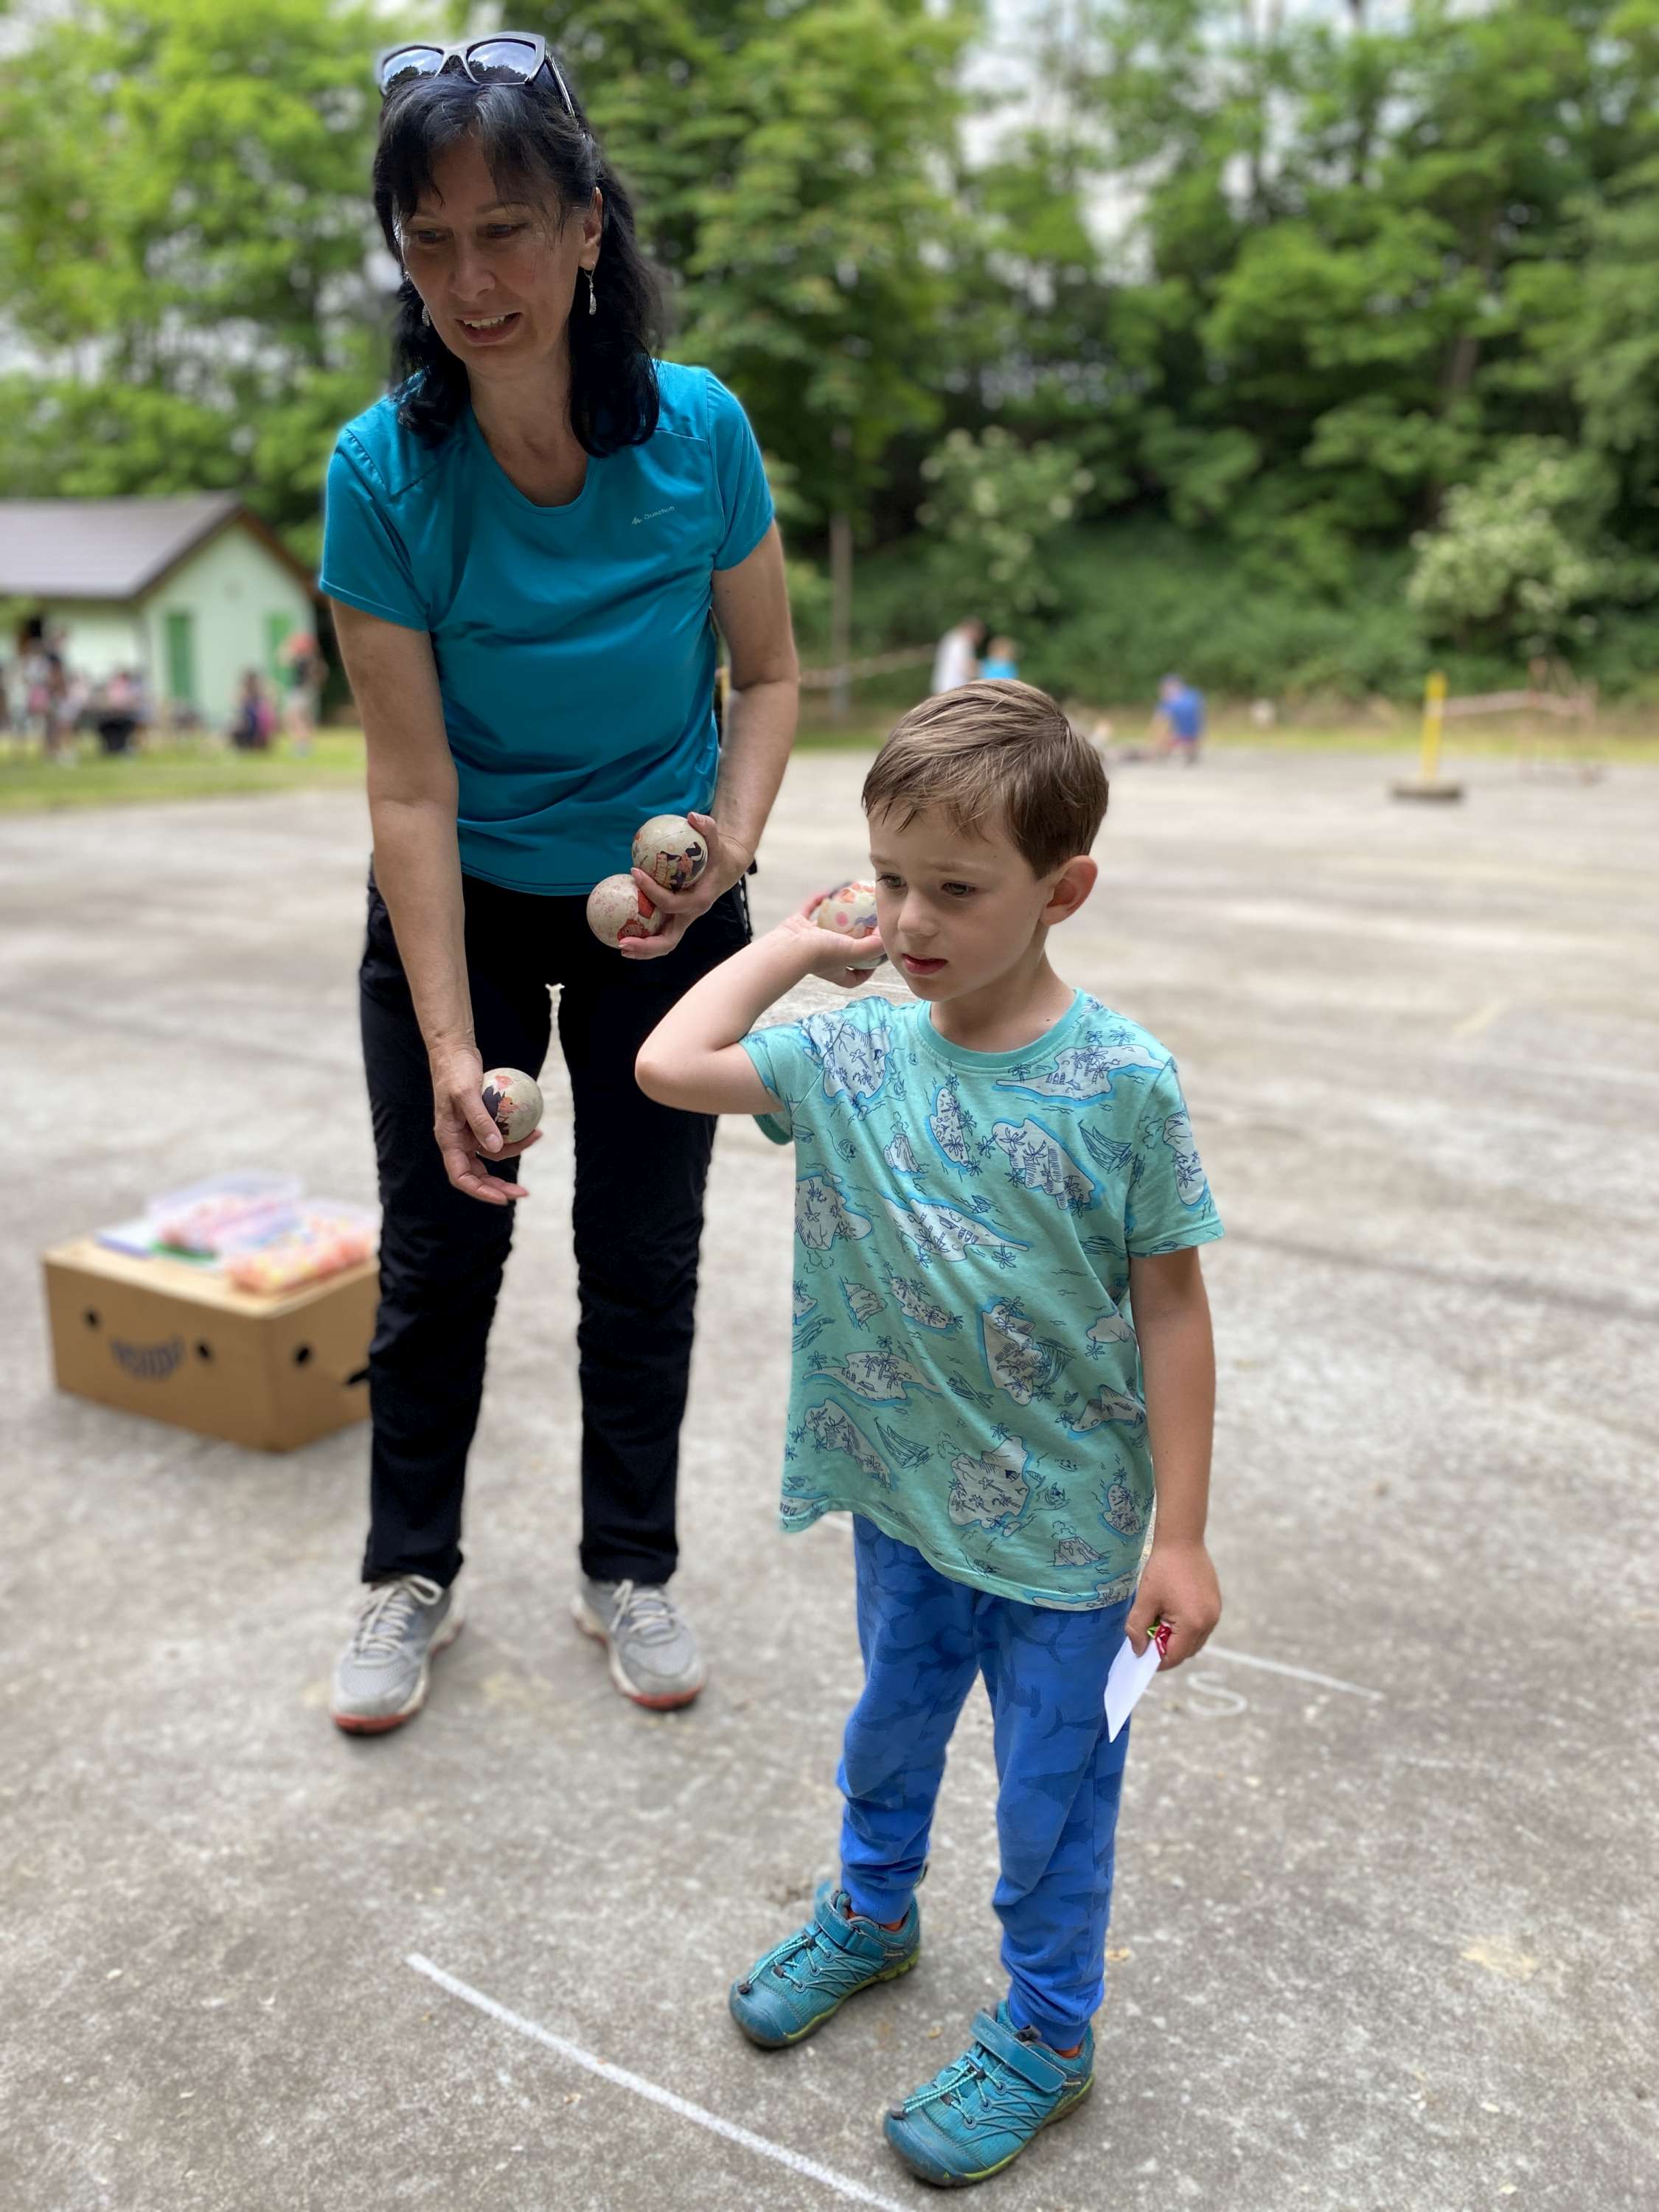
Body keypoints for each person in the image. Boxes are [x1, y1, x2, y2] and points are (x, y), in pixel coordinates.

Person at [636, 679, 1223, 2188]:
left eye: (956, 890)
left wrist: (1183, 1536)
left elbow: (1172, 1309)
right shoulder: (852, 1057)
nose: (910, 920)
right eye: (891, 879)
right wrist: (796, 943)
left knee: (1051, 1802)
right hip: (902, 1502)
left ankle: (1047, 2032)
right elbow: (667, 1064)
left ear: (1062, 892)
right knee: (888, 1734)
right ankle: (872, 1913)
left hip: (1069, 1541)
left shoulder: (1123, 1085)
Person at [319, 33, 797, 1731]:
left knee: (642, 1250)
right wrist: (456, 1048)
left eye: (506, 230)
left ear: (589, 227)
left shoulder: (701, 431)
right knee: (442, 1253)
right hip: (459, 900)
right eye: (431, 240)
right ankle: (407, 1575)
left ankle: (630, 1564)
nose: (471, 281)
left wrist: (725, 846)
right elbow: (408, 784)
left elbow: (770, 679)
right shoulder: (382, 472)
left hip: (663, 904)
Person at [279, 629, 321, 755]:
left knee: (296, 719)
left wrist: (287, 643)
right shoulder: (311, 658)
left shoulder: (303, 658)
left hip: (300, 692)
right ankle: (304, 744)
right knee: (302, 718)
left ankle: (302, 746)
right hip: (305, 691)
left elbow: (283, 658)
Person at [1151, 672, 1205, 761]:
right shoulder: (1193, 696)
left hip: (1180, 736)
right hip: (1192, 736)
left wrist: (1158, 743)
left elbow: (1159, 724)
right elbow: (1200, 718)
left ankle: (1161, 749)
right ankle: (1189, 748)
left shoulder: (1170, 702)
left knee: (1162, 724)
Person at [929, 615, 983, 695]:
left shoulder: (951, 637)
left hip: (943, 685)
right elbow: (967, 668)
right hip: (954, 688)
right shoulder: (964, 642)